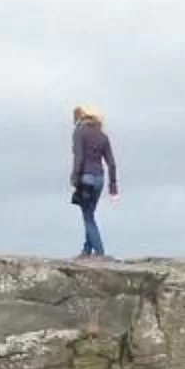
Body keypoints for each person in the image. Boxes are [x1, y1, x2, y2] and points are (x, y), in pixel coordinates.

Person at [69, 106, 118, 260]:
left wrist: (74, 179)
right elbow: (112, 163)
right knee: (89, 213)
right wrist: (113, 187)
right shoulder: (102, 136)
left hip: (86, 178)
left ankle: (99, 252)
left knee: (88, 216)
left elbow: (79, 157)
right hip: (99, 179)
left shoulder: (79, 132)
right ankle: (86, 250)